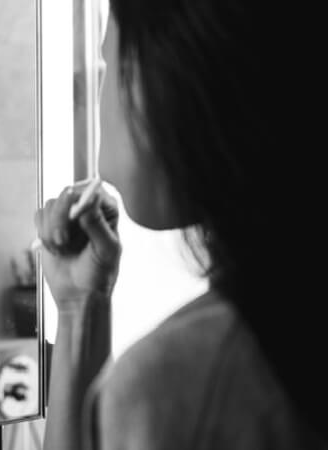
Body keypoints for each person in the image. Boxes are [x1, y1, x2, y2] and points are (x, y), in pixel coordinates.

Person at [39, 0, 326, 449]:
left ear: (168, 78)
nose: (98, 90)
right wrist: (80, 309)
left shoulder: (181, 383)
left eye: (106, 62)